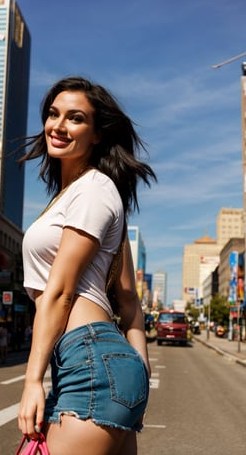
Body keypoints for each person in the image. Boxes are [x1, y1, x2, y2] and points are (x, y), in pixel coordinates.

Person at [18, 77, 157, 455]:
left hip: (89, 358)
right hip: (100, 360)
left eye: (75, 118)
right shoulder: (89, 192)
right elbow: (128, 299)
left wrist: (32, 381)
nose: (58, 126)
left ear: (97, 134)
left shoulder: (92, 189)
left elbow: (60, 293)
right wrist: (138, 370)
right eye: (53, 114)